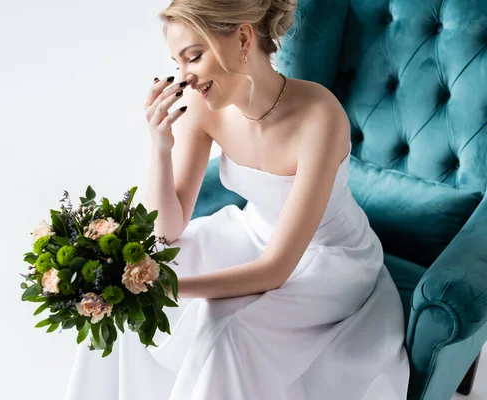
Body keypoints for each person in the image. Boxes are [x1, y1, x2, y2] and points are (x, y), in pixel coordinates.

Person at [65, 0, 410, 399]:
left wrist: (166, 287)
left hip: (327, 259)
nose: (185, 77)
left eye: (193, 57)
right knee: (133, 281)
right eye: (177, 63)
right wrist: (160, 148)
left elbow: (275, 270)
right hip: (249, 231)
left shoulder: (320, 115)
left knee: (224, 328)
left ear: (243, 37)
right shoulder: (202, 106)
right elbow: (168, 228)